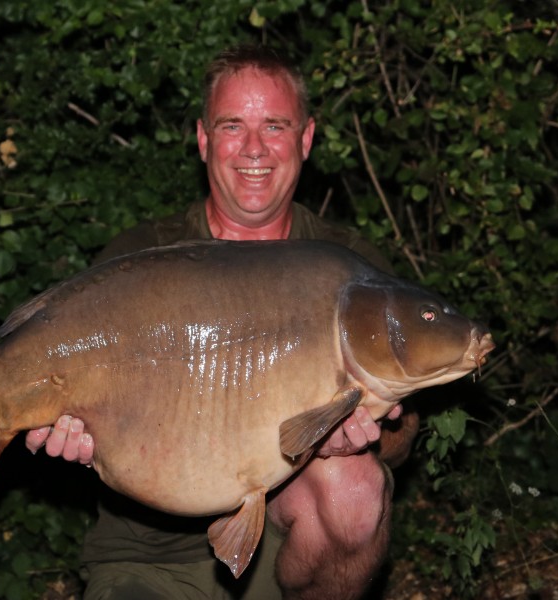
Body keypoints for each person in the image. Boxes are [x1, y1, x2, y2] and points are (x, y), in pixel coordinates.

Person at [25, 45, 418, 599]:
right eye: (233, 125)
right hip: (150, 553)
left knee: (354, 488)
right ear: (204, 138)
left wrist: (374, 437)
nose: (254, 148)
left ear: (305, 139)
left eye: (275, 126)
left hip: (290, 540)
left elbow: (404, 431)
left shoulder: (347, 265)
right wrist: (73, 430)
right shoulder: (144, 255)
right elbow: (78, 393)